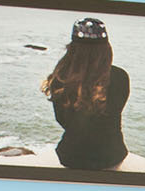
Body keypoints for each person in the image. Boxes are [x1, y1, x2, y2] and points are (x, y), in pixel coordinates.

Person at [41, 17, 131, 171]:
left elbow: (62, 120)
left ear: (72, 48)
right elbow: (114, 113)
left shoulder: (60, 79)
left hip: (72, 156)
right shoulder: (120, 77)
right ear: (106, 49)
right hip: (110, 155)